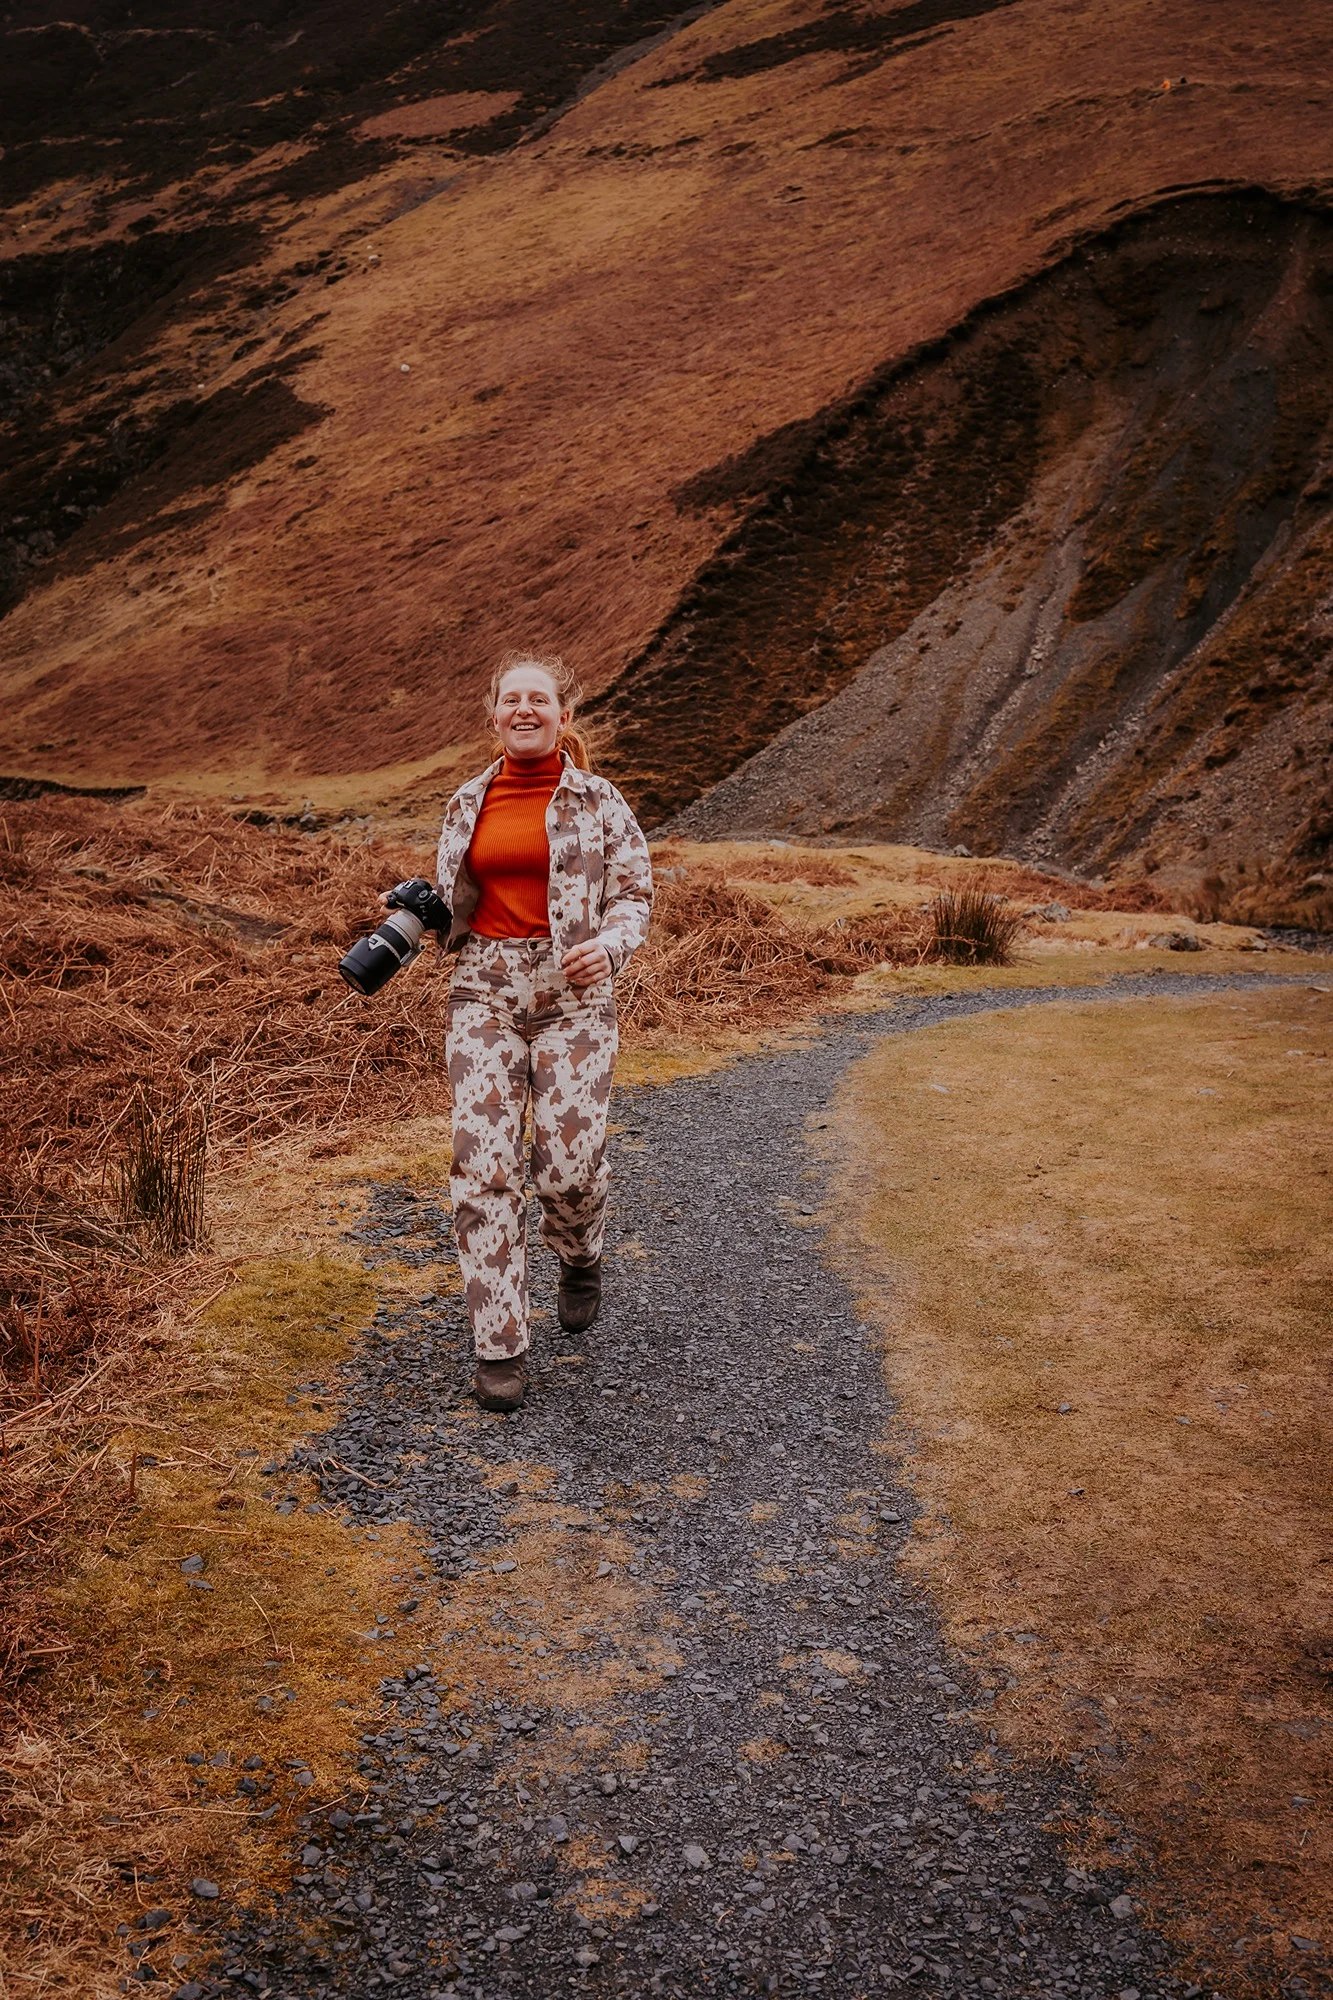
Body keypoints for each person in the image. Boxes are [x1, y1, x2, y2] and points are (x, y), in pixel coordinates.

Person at [421, 652, 652, 1412]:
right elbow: (456, 893)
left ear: (563, 715)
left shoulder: (597, 799)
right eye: (510, 700)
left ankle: (580, 1254)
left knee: (567, 1168)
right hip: (482, 991)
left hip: (575, 997)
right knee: (483, 1166)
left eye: (539, 699)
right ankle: (499, 1344)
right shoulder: (465, 802)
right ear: (494, 716)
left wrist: (610, 945)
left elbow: (634, 893)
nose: (524, 709)